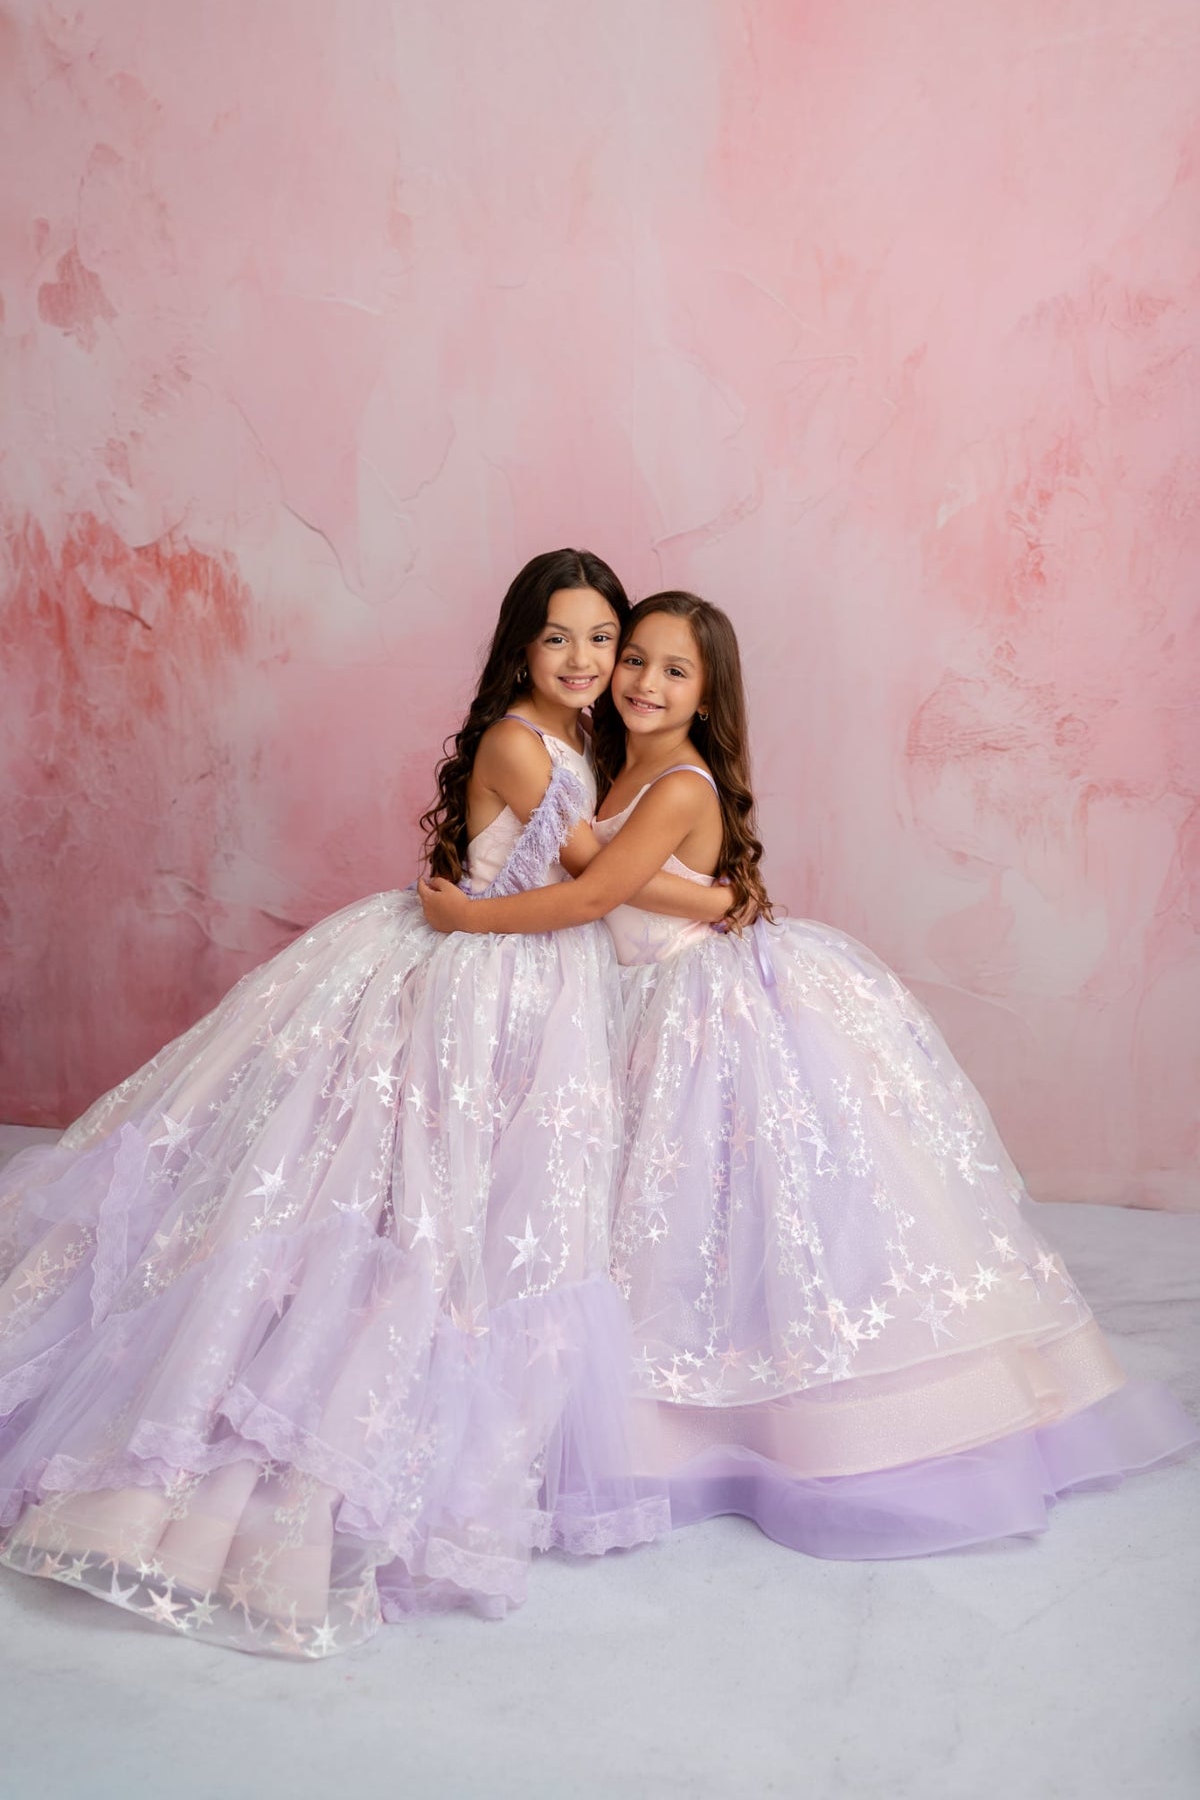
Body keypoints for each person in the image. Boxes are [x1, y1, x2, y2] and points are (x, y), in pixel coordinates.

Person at [0, 551, 730, 1658]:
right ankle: (281, 1443)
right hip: (474, 982)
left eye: (603, 640)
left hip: (537, 991)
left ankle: (460, 1434)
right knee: (403, 1196)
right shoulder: (517, 744)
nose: (587, 663)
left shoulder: (584, 742)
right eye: (560, 640)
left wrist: (712, 891)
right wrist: (716, 892)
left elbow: (607, 873)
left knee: (499, 1206)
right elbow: (595, 873)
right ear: (519, 649)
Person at [420, 590, 1197, 1555]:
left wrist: (468, 917)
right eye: (636, 659)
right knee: (682, 1211)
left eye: (674, 670)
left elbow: (597, 890)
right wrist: (719, 892)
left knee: (759, 1205)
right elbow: (618, 868)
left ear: (707, 695)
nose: (643, 681)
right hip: (649, 992)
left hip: (706, 1005)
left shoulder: (680, 787)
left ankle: (799, 1417)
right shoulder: (616, 770)